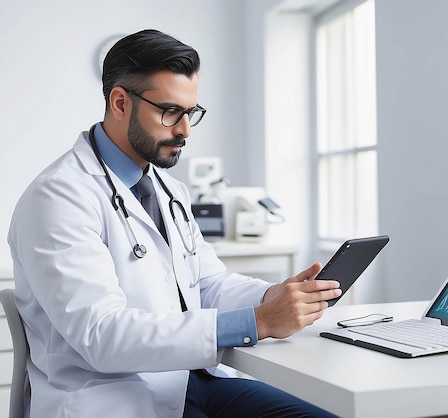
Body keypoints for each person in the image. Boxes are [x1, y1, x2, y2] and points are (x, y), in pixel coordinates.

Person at [7, 29, 341, 418]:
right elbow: (103, 336)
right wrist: (259, 321)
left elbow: (208, 282)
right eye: (170, 112)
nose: (184, 130)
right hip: (111, 396)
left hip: (189, 381)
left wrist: (273, 297)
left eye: (191, 113)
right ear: (119, 102)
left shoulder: (169, 189)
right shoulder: (58, 198)